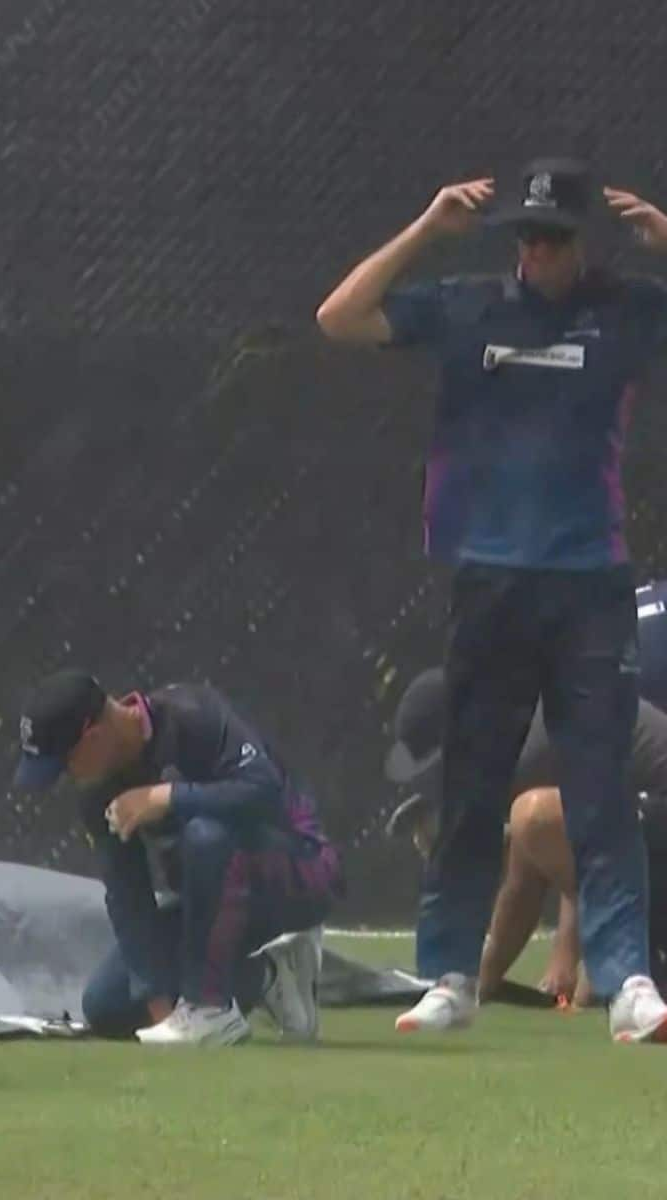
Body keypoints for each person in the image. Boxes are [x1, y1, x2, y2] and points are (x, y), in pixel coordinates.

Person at [316, 157, 667, 1041]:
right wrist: (426, 230)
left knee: (598, 791)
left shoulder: (626, 309)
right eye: (527, 236)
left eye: (553, 238)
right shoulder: (469, 303)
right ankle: (449, 977)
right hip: (490, 582)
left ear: (581, 244)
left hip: (590, 585)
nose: (537, 252)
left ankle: (629, 983)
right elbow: (339, 317)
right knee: (472, 791)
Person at [12, 670, 341, 1046]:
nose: (67, 777)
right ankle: (271, 976)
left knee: (205, 835)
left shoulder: (195, 713)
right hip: (208, 910)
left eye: (65, 763)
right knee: (107, 1003)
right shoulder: (96, 791)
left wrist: (165, 798)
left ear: (94, 737)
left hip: (304, 873)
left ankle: (210, 1007)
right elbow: (127, 897)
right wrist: (163, 1013)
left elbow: (264, 790)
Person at [384, 669, 667, 1004]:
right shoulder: (526, 725)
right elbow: (526, 882)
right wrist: (477, 984)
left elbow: (579, 846)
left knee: (533, 815)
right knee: (534, 821)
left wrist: (592, 978)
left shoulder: (527, 747)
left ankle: (629, 974)